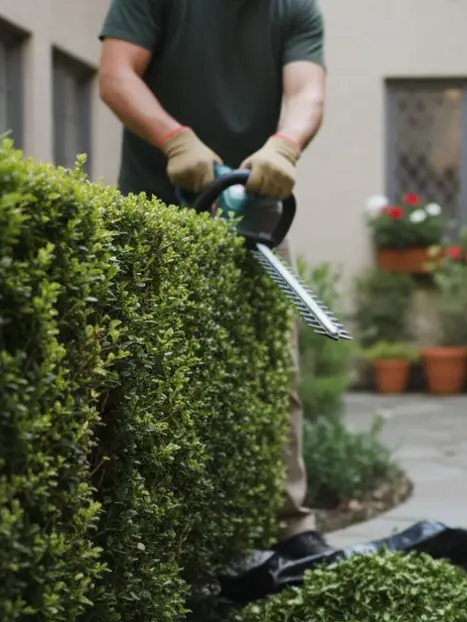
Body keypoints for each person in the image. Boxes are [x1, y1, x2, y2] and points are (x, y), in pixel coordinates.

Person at [97, 0, 335, 559]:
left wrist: (286, 145)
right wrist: (174, 139)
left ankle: (290, 525)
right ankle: (154, 533)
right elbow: (115, 75)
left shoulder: (295, 9)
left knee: (275, 368)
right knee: (153, 372)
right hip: (156, 209)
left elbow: (306, 93)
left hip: (254, 211)